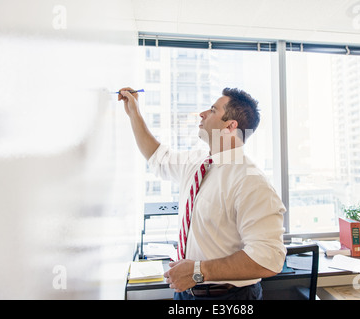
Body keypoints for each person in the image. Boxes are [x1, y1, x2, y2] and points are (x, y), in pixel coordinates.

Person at [118, 87, 286, 300]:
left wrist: (198, 270)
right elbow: (157, 156)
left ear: (230, 126)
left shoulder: (251, 182)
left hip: (229, 298)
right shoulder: (197, 162)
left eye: (213, 110)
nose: (202, 114)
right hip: (187, 292)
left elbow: (269, 259)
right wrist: (134, 112)